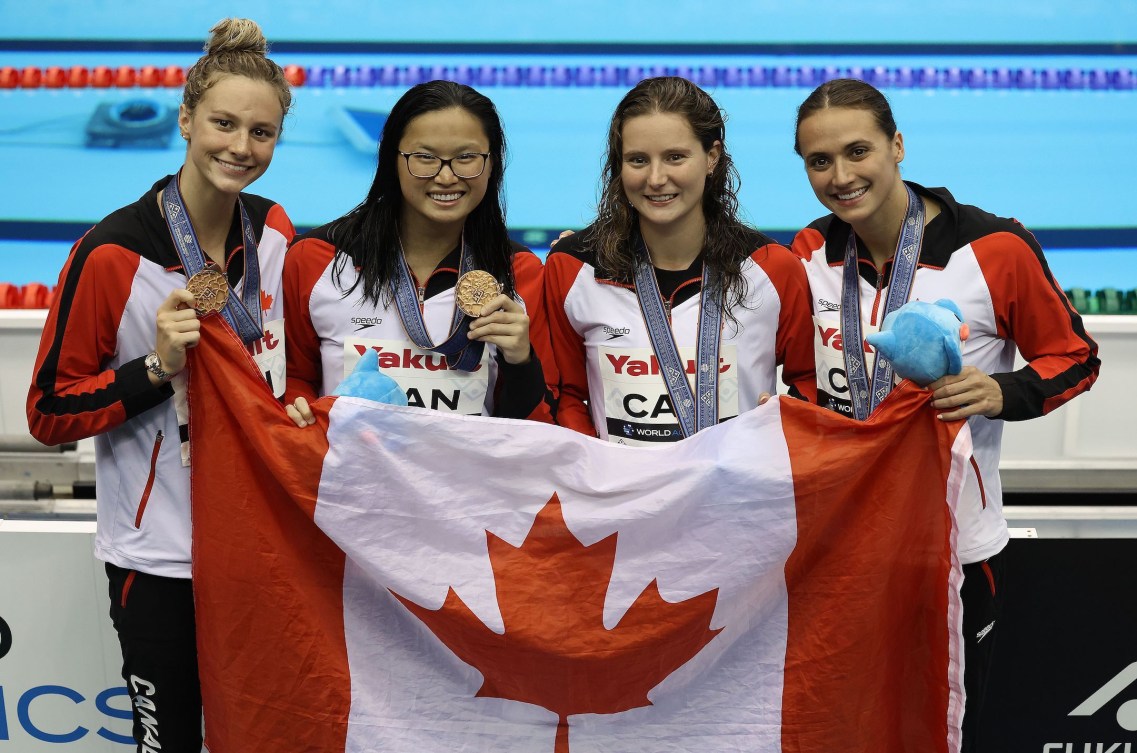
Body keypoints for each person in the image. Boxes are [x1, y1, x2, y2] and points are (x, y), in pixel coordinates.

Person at [790, 78, 1100, 750]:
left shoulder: (993, 247)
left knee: (940, 729)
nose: (840, 176)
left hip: (951, 550)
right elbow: (796, 374)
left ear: (896, 145)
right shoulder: (806, 255)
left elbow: (1074, 356)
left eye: (856, 151)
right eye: (818, 161)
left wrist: (1000, 393)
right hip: (836, 545)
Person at [26, 18, 295, 752]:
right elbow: (48, 410)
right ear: (184, 119)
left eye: (262, 132)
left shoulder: (275, 233)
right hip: (160, 557)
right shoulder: (112, 253)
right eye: (224, 123)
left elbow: (293, 364)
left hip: (260, 546)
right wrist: (153, 370)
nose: (241, 147)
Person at [543, 76, 815, 446]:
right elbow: (566, 395)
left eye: (675, 157)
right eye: (638, 160)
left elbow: (810, 382)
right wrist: (599, 470)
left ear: (711, 158)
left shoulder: (772, 269)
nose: (656, 179)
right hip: (622, 499)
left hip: (736, 498)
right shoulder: (574, 268)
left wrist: (786, 424)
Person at [283, 80, 554, 423]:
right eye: (424, 158)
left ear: (492, 163)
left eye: (466, 158)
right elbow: (292, 376)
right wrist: (299, 407)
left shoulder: (520, 272)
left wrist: (521, 362)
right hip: (352, 475)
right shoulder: (316, 259)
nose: (445, 177)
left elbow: (534, 427)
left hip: (468, 476)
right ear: (391, 159)